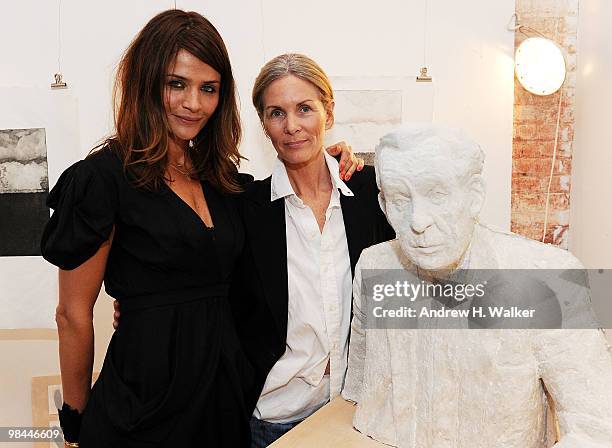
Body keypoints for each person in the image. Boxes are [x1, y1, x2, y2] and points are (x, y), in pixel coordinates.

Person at [41, 10, 360, 447]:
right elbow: (72, 314)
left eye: (208, 88)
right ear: (147, 82)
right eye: (177, 84)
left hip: (222, 404)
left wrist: (335, 157)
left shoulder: (223, 182)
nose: (193, 102)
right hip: (142, 403)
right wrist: (73, 426)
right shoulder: (103, 178)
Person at [341, 124, 612, 447]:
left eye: (437, 194)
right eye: (400, 199)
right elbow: (357, 389)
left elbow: (596, 426)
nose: (417, 220)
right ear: (384, 205)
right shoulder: (374, 267)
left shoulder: (548, 276)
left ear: (474, 196)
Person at [229, 54, 394, 447]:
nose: (292, 126)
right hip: (273, 421)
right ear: (264, 125)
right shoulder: (246, 209)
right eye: (276, 113)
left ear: (328, 112)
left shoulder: (369, 194)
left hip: (357, 412)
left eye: (305, 108)